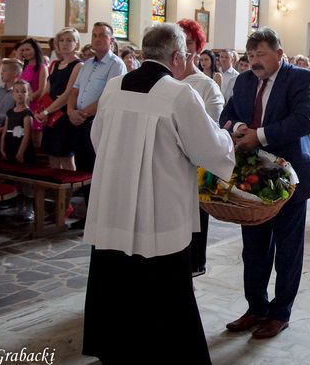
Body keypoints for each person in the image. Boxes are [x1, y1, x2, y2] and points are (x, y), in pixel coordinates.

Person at [82, 24, 234, 364]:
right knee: (166, 290)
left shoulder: (114, 87)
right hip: (160, 209)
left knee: (117, 280)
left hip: (113, 205)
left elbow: (98, 139)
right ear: (177, 57)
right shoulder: (180, 94)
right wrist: (227, 138)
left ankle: (116, 350)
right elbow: (208, 150)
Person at [220, 27, 310, 339]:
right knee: (254, 249)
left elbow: (305, 120)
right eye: (250, 55)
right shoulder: (244, 81)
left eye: (261, 54)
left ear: (279, 54)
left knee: (288, 250)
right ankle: (256, 308)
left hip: (288, 178)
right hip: (252, 177)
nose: (254, 61)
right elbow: (226, 114)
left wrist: (259, 136)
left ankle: (280, 314)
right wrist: (239, 128)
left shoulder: (301, 78)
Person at [176, 21, 224, 278]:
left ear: (198, 48)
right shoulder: (164, 82)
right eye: (179, 42)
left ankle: (195, 264)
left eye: (189, 43)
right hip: (168, 166)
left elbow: (211, 128)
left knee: (195, 218)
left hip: (195, 164)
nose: (184, 48)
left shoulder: (206, 85)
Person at [68, 23, 126, 228]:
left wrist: (83, 113)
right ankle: (88, 215)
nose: (98, 39)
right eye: (94, 35)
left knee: (97, 170)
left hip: (97, 123)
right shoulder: (86, 65)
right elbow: (74, 91)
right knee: (83, 169)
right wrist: (71, 111)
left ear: (111, 40)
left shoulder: (116, 65)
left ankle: (100, 217)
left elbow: (109, 97)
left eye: (102, 35)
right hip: (79, 123)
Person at [36, 28, 83, 170]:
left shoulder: (78, 65)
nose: (64, 43)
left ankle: (68, 185)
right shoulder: (55, 64)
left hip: (63, 115)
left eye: (69, 40)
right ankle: (55, 185)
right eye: (61, 40)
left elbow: (68, 94)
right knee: (52, 157)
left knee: (66, 157)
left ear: (76, 43)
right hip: (50, 114)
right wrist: (41, 111)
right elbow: (47, 91)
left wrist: (46, 112)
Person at [0, 59, 22, 159]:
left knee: (6, 158)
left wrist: (0, 130)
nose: (1, 73)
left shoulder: (18, 93)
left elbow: (17, 117)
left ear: (14, 74)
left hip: (8, 130)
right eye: (1, 71)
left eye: (4, 71)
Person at [18, 38, 49, 148]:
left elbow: (41, 90)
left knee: (36, 142)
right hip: (24, 105)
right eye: (23, 50)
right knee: (24, 139)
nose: (25, 52)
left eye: (28, 49)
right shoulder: (25, 66)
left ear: (35, 49)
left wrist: (27, 99)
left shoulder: (42, 67)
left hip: (35, 106)